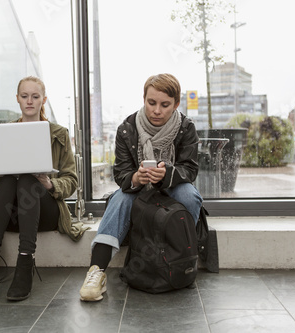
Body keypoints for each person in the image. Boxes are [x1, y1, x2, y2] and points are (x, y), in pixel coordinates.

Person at [79, 73, 203, 302]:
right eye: (151, 103)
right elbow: (121, 174)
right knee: (120, 198)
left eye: (165, 105)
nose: (157, 110)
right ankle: (96, 272)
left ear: (176, 104)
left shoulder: (186, 127)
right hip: (139, 191)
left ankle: (185, 257)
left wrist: (167, 175)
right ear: (143, 99)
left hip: (171, 189)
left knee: (189, 194)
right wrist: (136, 177)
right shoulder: (127, 128)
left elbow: (190, 169)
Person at [0, 76, 84, 302]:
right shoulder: (5, 133)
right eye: (24, 96)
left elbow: (72, 181)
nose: (29, 101)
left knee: (28, 179)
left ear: (43, 100)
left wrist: (49, 183)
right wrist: (7, 171)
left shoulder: (59, 134)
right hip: (13, 213)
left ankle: (25, 261)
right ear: (17, 99)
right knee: (8, 181)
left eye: (35, 97)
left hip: (44, 211)